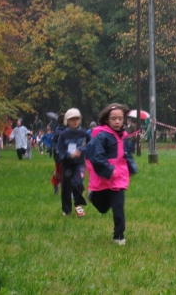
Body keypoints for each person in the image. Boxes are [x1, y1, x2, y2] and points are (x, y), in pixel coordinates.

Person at [86, 103, 138, 245]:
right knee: (103, 208)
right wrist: (108, 169)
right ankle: (93, 195)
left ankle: (119, 236)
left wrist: (131, 168)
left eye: (120, 119)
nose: (117, 121)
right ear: (107, 120)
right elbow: (95, 155)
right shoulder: (101, 136)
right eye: (114, 118)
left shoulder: (124, 136)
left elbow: (127, 154)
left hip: (119, 178)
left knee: (118, 206)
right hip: (103, 177)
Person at [56, 108, 89, 217]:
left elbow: (92, 145)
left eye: (77, 119)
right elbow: (59, 150)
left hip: (79, 164)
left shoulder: (84, 133)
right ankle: (66, 210)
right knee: (66, 187)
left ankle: (78, 204)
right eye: (72, 119)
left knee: (77, 182)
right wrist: (69, 155)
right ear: (67, 121)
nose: (75, 121)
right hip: (67, 165)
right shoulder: (63, 135)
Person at [51, 113, 66, 194]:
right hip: (59, 156)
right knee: (58, 171)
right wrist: (57, 150)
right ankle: (56, 186)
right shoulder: (58, 132)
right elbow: (54, 142)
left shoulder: (69, 130)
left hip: (67, 155)